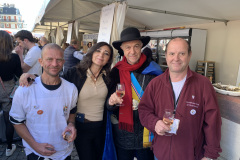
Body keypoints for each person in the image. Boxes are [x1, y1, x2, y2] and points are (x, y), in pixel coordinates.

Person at [18, 42, 114, 160]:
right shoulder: (75, 72)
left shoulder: (109, 77)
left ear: (109, 59)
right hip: (81, 126)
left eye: (106, 53)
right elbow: (55, 78)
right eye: (98, 51)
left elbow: (111, 100)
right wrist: (33, 76)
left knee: (101, 157)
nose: (101, 55)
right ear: (92, 52)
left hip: (101, 127)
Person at [138, 38, 222, 160]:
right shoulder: (155, 83)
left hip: (190, 155)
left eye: (181, 53)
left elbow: (213, 121)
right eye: (172, 53)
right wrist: (155, 123)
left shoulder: (203, 84)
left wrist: (210, 154)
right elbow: (144, 110)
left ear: (189, 55)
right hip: (161, 154)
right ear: (166, 56)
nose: (176, 58)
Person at [9, 43, 78, 160]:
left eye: (59, 60)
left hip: (64, 152)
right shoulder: (25, 90)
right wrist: (35, 146)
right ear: (40, 61)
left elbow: (72, 111)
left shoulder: (71, 88)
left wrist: (71, 124)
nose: (54, 64)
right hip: (36, 153)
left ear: (63, 62)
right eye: (49, 59)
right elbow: (17, 122)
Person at [107, 27, 163, 160]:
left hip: (147, 134)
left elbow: (162, 102)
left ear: (142, 46)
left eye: (136, 46)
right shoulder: (116, 72)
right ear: (122, 49)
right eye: (128, 47)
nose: (132, 51)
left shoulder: (154, 71)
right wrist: (111, 101)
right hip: (123, 135)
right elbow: (108, 107)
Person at [0, 30, 23, 157]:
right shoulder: (13, 57)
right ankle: (9, 147)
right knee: (8, 120)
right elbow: (20, 75)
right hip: (7, 90)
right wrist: (20, 56)